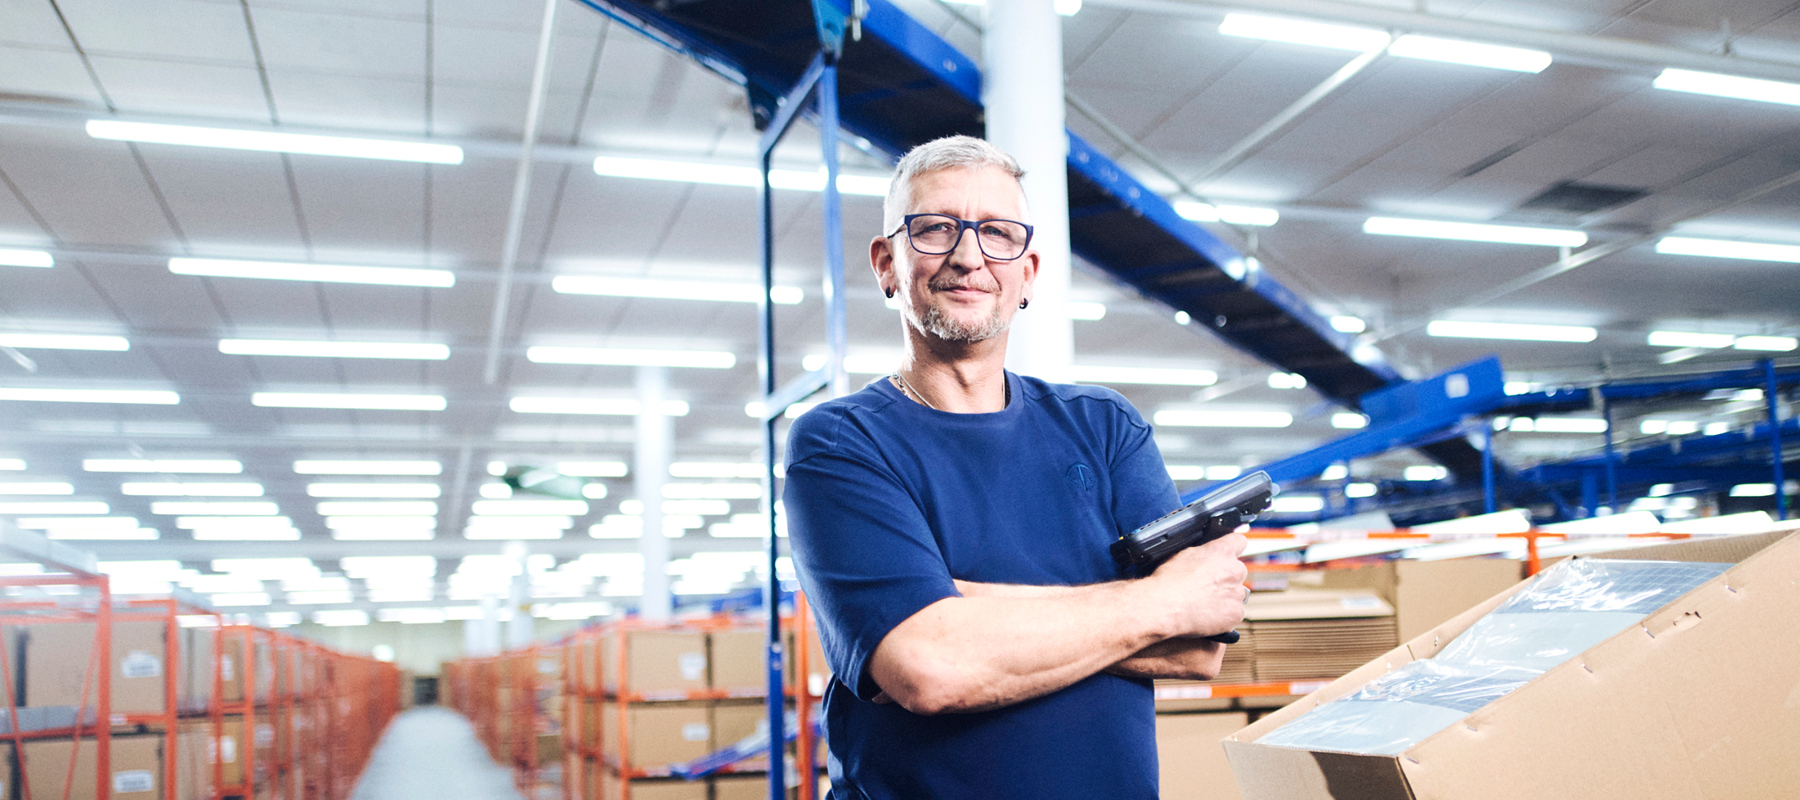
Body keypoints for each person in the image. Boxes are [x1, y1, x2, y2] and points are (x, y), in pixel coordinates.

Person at [783, 135, 1250, 800]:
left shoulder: (1104, 426)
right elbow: (930, 664)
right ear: (887, 263)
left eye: (997, 233)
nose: (969, 256)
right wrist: (1157, 604)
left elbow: (1201, 643)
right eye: (936, 229)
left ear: (1028, 274)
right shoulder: (840, 443)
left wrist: (956, 606)